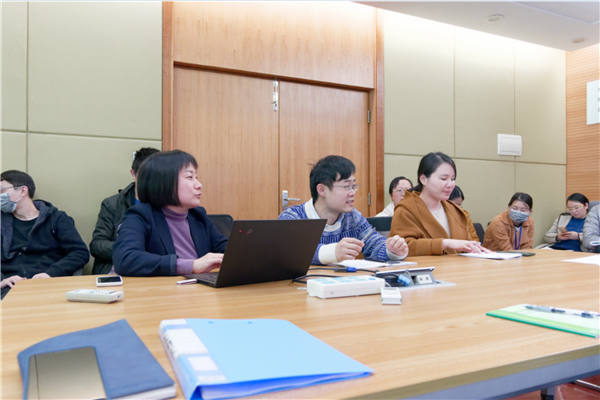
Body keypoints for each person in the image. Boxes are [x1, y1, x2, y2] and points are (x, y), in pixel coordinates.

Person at [112, 150, 228, 276]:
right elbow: (126, 259)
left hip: (196, 285)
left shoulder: (198, 216)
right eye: (190, 177)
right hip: (164, 287)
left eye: (196, 177)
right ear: (164, 182)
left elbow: (225, 248)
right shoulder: (140, 215)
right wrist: (191, 265)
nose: (199, 185)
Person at [278, 155, 408, 265]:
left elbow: (374, 244)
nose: (352, 193)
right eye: (346, 186)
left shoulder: (353, 217)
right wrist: (332, 252)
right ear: (322, 190)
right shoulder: (293, 217)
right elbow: (287, 252)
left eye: (353, 186)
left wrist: (393, 250)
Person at [1, 170, 89, 299]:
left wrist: (51, 274)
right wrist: (2, 281)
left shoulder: (56, 218)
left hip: (51, 285)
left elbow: (80, 252)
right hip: (9, 289)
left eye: (2, 191)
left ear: (22, 191)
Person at [389, 152, 485, 256]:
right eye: (444, 179)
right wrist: (443, 244)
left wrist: (477, 249)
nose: (450, 185)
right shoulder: (405, 210)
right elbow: (403, 248)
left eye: (453, 179)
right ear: (423, 179)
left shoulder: (455, 211)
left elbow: (469, 244)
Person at [89, 147, 160, 274]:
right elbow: (97, 245)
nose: (151, 181)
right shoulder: (112, 204)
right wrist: (131, 250)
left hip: (154, 269)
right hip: (117, 269)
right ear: (133, 174)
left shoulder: (168, 205)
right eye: (146, 175)